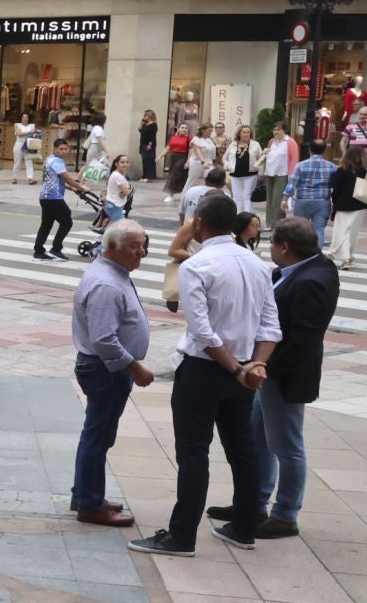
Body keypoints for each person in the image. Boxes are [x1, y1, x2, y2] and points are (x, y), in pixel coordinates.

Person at [130, 194, 280, 557]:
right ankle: (244, 527)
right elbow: (271, 325)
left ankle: (182, 536)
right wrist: (254, 366)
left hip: (206, 368)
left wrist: (239, 368)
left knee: (194, 452)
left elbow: (202, 331)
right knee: (241, 448)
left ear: (198, 223)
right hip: (242, 367)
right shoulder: (256, 263)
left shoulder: (198, 265)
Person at [207, 218, 339, 540]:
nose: (268, 249)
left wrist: (265, 369)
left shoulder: (313, 280)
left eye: (272, 244)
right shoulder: (295, 270)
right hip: (270, 371)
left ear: (285, 248)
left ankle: (285, 515)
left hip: (285, 376)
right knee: (258, 438)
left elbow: (304, 339)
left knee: (286, 445)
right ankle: (255, 503)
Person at [70, 220, 153, 527]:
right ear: (113, 247)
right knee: (98, 435)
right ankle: (90, 503)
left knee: (98, 434)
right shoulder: (106, 283)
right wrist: (133, 366)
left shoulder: (114, 273)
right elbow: (104, 338)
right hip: (106, 369)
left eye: (143, 245)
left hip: (107, 369)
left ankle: (85, 493)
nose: (141, 252)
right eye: (134, 246)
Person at [285, 137, 338, 248]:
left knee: (300, 228)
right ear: (323, 150)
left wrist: (285, 198)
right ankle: (316, 256)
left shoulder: (300, 165)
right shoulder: (332, 167)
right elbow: (335, 186)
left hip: (302, 200)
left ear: (310, 149)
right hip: (322, 201)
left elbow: (292, 183)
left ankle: (300, 255)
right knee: (319, 229)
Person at [34, 138, 76, 261]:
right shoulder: (57, 161)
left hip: (45, 197)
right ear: (55, 149)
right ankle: (56, 248)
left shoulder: (49, 159)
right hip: (53, 198)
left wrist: (68, 187)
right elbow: (67, 178)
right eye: (61, 149)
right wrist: (81, 187)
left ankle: (38, 250)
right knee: (67, 221)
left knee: (46, 224)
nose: (63, 151)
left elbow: (54, 178)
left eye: (65, 149)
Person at [327, 144, 367, 267]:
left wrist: (334, 201)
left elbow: (336, 189)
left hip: (343, 204)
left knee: (342, 231)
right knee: (353, 231)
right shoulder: (364, 171)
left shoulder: (341, 170)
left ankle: (346, 258)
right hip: (360, 204)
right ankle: (348, 254)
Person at [263, 122, 299, 231]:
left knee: (278, 199)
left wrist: (291, 175)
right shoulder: (272, 142)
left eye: (278, 129)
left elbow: (294, 158)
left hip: (282, 173)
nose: (276, 132)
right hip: (270, 172)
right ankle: (270, 223)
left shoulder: (290, 142)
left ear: (284, 130)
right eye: (274, 130)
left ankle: (278, 223)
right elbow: (268, 156)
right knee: (269, 198)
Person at [224, 125, 263, 214]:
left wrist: (260, 172)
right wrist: (228, 166)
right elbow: (225, 158)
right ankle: (238, 215)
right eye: (244, 132)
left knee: (247, 195)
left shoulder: (255, 144)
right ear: (239, 134)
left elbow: (261, 159)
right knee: (237, 196)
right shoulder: (233, 144)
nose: (246, 134)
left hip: (250, 174)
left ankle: (248, 216)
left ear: (250, 134)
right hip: (235, 174)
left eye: (248, 132)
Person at [103, 155, 134, 222]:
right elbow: (127, 192)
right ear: (116, 164)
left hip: (114, 204)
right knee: (119, 226)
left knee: (115, 226)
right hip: (115, 205)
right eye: (122, 162)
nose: (125, 164)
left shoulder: (118, 175)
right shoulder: (117, 176)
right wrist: (128, 190)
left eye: (127, 162)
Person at [11, 113, 39, 185]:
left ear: (28, 118)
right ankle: (14, 178)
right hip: (19, 144)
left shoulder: (32, 125)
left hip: (28, 144)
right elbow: (19, 134)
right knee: (17, 162)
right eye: (23, 117)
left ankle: (30, 178)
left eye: (26, 117)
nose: (25, 118)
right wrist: (30, 132)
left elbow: (34, 134)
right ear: (21, 118)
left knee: (29, 161)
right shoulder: (17, 124)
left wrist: (35, 134)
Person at [139, 110, 160, 182]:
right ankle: (144, 175)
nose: (144, 117)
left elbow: (152, 136)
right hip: (142, 144)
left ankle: (149, 176)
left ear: (150, 116)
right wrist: (141, 124)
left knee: (149, 160)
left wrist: (150, 144)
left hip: (149, 144)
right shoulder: (145, 124)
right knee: (144, 160)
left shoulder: (153, 125)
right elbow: (140, 130)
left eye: (146, 115)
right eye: (144, 115)